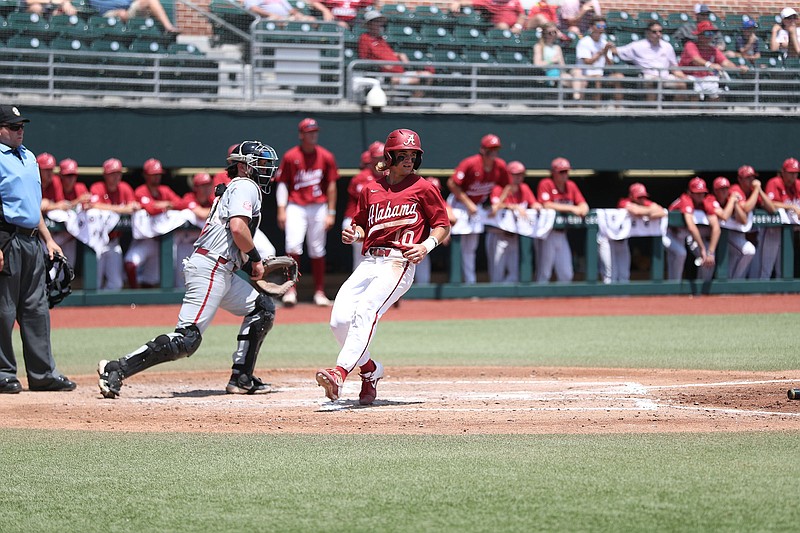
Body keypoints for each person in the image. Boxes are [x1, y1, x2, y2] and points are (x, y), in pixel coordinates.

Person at [98, 141, 281, 399]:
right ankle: (116, 368)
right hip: (211, 268)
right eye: (259, 163)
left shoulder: (237, 187)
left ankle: (242, 377)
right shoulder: (245, 185)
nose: (265, 169)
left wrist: (247, 262)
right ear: (243, 166)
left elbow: (233, 235)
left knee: (262, 309)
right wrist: (255, 258)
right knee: (187, 340)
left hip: (221, 268)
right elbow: (239, 229)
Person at [315, 128, 450, 405]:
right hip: (370, 261)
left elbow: (442, 225)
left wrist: (426, 246)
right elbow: (363, 227)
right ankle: (370, 371)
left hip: (398, 262)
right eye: (403, 153)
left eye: (413, 154)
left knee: (366, 311)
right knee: (338, 321)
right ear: (390, 156)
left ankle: (340, 372)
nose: (409, 159)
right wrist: (355, 234)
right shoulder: (371, 189)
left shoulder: (423, 187)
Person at [0, 105, 76, 394]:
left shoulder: (29, 157)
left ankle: (43, 374)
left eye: (22, 126)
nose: (20, 130)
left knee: (37, 308)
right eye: (13, 126)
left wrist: (48, 239)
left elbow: (34, 205)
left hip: (32, 240)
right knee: (3, 310)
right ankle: (3, 373)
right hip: (7, 239)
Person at [275, 118, 339, 307]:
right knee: (293, 246)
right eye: (309, 132)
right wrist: (281, 209)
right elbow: (282, 183)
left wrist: (332, 212)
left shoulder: (326, 156)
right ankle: (290, 289)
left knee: (317, 249)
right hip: (296, 204)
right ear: (301, 134)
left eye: (315, 131)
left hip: (319, 205)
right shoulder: (290, 155)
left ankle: (319, 291)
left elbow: (332, 185)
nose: (313, 135)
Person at [447, 134, 510, 284]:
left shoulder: (500, 165)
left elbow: (507, 185)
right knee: (456, 245)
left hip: (476, 207)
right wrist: (467, 203)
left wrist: (498, 203)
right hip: (458, 205)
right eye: (490, 149)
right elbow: (452, 183)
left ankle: (470, 282)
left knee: (471, 248)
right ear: (483, 149)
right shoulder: (471, 163)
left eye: (496, 149)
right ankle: (455, 281)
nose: (493, 153)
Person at [124, 157, 183, 288]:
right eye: (153, 175)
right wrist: (165, 205)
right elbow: (151, 209)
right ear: (145, 175)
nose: (156, 178)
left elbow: (181, 203)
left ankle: (145, 307)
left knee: (151, 281)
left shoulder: (165, 190)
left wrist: (161, 204)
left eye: (158, 175)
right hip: (144, 240)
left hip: (160, 242)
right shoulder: (141, 190)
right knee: (130, 263)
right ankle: (133, 295)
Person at [597, 182, 666, 284]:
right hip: (607, 240)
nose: (642, 199)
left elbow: (662, 212)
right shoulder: (624, 202)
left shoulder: (643, 203)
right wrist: (650, 212)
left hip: (622, 241)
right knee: (610, 275)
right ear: (631, 196)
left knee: (624, 275)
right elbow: (636, 211)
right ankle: (609, 299)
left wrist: (645, 211)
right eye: (639, 197)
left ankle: (623, 299)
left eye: (643, 196)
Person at [89, 158, 141, 290]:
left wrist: (124, 208)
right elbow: (94, 205)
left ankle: (104, 310)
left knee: (116, 284)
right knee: (94, 283)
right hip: (97, 243)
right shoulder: (98, 187)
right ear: (105, 175)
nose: (116, 176)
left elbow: (133, 206)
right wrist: (121, 209)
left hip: (114, 242)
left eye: (118, 173)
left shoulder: (124, 188)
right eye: (112, 173)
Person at [535, 157, 589, 282]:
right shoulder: (546, 183)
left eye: (566, 171)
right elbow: (546, 204)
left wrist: (582, 208)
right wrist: (571, 208)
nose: (565, 175)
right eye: (561, 172)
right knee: (544, 273)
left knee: (566, 274)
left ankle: (562, 302)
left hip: (562, 234)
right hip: (546, 234)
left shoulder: (571, 185)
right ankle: (539, 300)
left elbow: (583, 204)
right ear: (553, 172)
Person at [486, 160, 540, 283]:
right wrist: (513, 206)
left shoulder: (524, 188)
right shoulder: (498, 187)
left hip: (514, 236)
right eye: (515, 174)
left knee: (514, 273)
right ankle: (494, 300)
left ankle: (506, 301)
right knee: (496, 273)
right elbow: (495, 207)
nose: (518, 177)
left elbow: (534, 203)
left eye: (521, 174)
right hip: (498, 234)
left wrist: (537, 206)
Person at [613, 21, 688, 101]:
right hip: (648, 76)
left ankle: (674, 110)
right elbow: (616, 51)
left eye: (660, 31)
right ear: (648, 33)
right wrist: (605, 48)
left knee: (682, 84)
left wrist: (684, 77)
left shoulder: (667, 46)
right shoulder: (638, 46)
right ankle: (651, 110)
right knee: (654, 83)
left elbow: (674, 67)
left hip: (665, 76)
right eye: (654, 32)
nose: (658, 34)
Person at [663, 177, 720, 281]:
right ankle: (673, 290)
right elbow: (691, 226)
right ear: (690, 192)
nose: (700, 196)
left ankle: (703, 292)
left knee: (709, 258)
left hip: (685, 233)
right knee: (680, 254)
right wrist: (702, 249)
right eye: (697, 193)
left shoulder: (705, 202)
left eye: (702, 192)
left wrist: (710, 252)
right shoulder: (685, 199)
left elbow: (716, 227)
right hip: (670, 232)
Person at [678, 20, 749, 102]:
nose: (710, 36)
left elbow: (725, 62)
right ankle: (692, 114)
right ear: (699, 35)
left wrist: (738, 68)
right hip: (689, 77)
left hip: (706, 79)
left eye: (712, 33)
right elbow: (696, 59)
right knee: (695, 93)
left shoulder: (713, 49)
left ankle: (712, 114)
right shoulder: (690, 45)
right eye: (707, 33)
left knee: (715, 91)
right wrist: (710, 65)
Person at [357, 11, 432, 87]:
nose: (379, 24)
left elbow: (387, 53)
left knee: (427, 75)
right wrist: (381, 64)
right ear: (369, 24)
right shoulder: (364, 38)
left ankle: (416, 99)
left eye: (380, 22)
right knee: (417, 80)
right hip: (386, 75)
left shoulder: (380, 38)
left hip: (399, 71)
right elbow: (364, 59)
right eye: (376, 21)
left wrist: (399, 54)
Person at [729, 164, 776, 279]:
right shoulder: (735, 189)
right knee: (735, 266)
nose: (751, 180)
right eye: (748, 177)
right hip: (732, 235)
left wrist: (759, 190)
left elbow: (772, 209)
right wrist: (756, 191)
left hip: (747, 236)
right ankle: (730, 290)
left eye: (752, 177)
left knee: (749, 268)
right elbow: (746, 208)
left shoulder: (753, 191)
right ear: (740, 179)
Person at [344, 141, 385, 271]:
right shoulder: (361, 178)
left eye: (382, 157)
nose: (380, 161)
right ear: (371, 158)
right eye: (377, 158)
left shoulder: (390, 176)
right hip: (356, 220)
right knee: (362, 255)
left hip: (379, 221)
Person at [759, 158, 800, 279]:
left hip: (789, 232)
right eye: (790, 172)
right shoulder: (775, 182)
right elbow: (770, 204)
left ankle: (784, 295)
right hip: (772, 229)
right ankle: (758, 295)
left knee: (783, 268)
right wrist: (791, 206)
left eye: (795, 173)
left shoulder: (797, 185)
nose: (793, 176)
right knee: (766, 266)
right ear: (783, 171)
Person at [173, 172, 215, 287]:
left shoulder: (212, 200)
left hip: (203, 247)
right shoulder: (189, 198)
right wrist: (216, 210)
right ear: (196, 187)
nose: (207, 188)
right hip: (185, 246)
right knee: (182, 282)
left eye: (208, 184)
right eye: (203, 185)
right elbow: (201, 214)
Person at [572, 16, 624, 103]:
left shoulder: (604, 42)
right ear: (592, 27)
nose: (601, 29)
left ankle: (618, 107)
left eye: (603, 27)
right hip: (585, 74)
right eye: (599, 26)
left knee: (619, 77)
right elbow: (588, 62)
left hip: (601, 74)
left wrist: (606, 52)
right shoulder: (584, 42)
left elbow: (610, 65)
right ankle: (597, 106)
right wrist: (602, 52)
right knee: (597, 78)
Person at [710, 176, 753, 280]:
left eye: (726, 188)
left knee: (747, 252)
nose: (724, 191)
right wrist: (732, 201)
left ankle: (734, 282)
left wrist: (735, 204)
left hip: (730, 235)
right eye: (721, 189)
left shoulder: (731, 200)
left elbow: (744, 220)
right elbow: (724, 216)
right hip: (707, 237)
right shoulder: (710, 199)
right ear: (715, 190)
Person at [89, 0, 179, 33]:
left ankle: (168, 27)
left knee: (150, 0)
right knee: (121, 13)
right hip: (105, 15)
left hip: (128, 10)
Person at [450, 0, 527, 34]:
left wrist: (518, 26)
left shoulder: (515, 1)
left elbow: (522, 14)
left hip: (518, 29)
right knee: (502, 26)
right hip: (500, 29)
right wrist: (458, 3)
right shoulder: (488, 1)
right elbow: (470, 2)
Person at [533, 22, 571, 87]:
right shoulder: (538, 47)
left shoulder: (557, 48)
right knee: (572, 81)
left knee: (578, 80)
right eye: (550, 33)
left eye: (555, 32)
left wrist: (559, 62)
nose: (553, 35)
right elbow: (537, 64)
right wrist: (551, 61)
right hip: (546, 74)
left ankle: (577, 97)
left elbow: (563, 66)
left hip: (559, 74)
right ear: (544, 34)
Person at [308, 0, 373, 28]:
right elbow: (314, 2)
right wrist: (325, 11)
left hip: (353, 21)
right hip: (333, 19)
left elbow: (370, 4)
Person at [244, 0, 317, 22]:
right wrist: (270, 14)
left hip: (286, 18)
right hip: (268, 19)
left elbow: (291, 11)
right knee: (280, 20)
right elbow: (253, 8)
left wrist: (299, 15)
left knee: (311, 19)